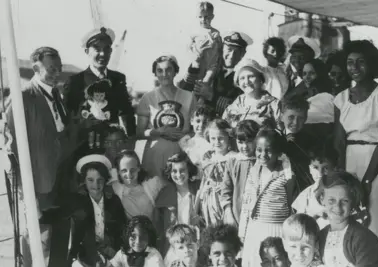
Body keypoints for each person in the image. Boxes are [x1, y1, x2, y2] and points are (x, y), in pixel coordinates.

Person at [6, 46, 77, 267]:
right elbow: (11, 147)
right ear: (36, 68)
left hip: (62, 178)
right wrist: (26, 191)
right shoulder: (23, 96)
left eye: (59, 68)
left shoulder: (57, 95)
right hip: (39, 179)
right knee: (38, 233)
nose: (57, 73)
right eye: (51, 69)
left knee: (61, 229)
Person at [334, 40, 378, 245]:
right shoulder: (340, 99)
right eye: (350, 62)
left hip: (377, 165)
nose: (355, 68)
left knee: (375, 219)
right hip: (350, 164)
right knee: (349, 218)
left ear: (372, 64)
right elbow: (339, 143)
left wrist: (367, 181)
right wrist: (343, 178)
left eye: (361, 62)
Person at [63, 27, 135, 149]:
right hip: (86, 147)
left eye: (107, 49)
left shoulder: (118, 79)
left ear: (111, 51)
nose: (103, 54)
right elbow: (69, 119)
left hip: (113, 147)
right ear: (87, 51)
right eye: (97, 49)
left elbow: (126, 113)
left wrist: (130, 142)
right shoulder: (75, 82)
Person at [66, 154, 127, 267]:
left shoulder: (113, 201)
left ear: (105, 180)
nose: (96, 185)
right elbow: (75, 234)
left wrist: (114, 250)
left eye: (100, 180)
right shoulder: (77, 203)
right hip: (86, 253)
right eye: (90, 180)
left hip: (111, 252)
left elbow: (122, 228)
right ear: (84, 181)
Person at [240, 128, 297, 267]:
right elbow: (246, 206)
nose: (263, 154)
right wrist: (242, 232)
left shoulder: (286, 176)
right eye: (259, 150)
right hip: (255, 229)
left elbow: (292, 206)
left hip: (276, 230)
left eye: (269, 150)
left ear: (278, 152)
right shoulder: (253, 172)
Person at [136, 54, 195, 182]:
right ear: (155, 73)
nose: (164, 74)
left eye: (169, 70)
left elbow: (196, 129)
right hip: (155, 155)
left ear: (175, 71)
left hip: (181, 154)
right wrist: (160, 131)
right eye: (159, 70)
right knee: (156, 193)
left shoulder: (189, 97)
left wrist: (185, 136)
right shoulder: (148, 98)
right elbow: (139, 132)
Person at [110, 150, 167, 244]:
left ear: (139, 168)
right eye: (124, 170)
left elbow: (169, 182)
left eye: (133, 170)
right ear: (118, 172)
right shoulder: (116, 186)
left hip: (152, 236)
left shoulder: (152, 185)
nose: (128, 174)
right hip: (132, 239)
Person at [192, 31, 253, 116]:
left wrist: (212, 96)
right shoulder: (208, 69)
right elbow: (185, 89)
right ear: (222, 49)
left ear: (243, 54)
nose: (232, 55)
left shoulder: (242, 79)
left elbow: (239, 109)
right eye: (229, 49)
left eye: (237, 52)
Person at [196, 119, 237, 227]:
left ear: (229, 137)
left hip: (226, 200)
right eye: (213, 138)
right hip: (209, 200)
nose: (217, 142)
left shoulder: (233, 158)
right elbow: (204, 180)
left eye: (221, 138)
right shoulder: (208, 157)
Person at [220, 120, 261, 226]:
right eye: (240, 142)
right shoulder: (233, 162)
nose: (245, 146)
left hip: (259, 217)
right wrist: (228, 213)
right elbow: (226, 191)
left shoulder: (262, 162)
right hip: (236, 217)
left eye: (249, 141)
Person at [222, 58, 280, 129]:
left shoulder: (274, 105)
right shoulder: (232, 107)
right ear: (238, 83)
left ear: (261, 79)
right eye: (242, 78)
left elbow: (281, 131)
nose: (246, 82)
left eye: (251, 76)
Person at [292, 142, 338, 229]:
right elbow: (298, 224)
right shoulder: (306, 194)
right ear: (310, 168)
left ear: (335, 169)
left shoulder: (343, 192)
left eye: (326, 168)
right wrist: (315, 216)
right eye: (315, 168)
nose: (320, 173)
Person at [183, 1, 222, 94]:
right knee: (193, 84)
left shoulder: (215, 32)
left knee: (206, 82)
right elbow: (188, 48)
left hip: (211, 64)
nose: (203, 19)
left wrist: (218, 41)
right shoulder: (195, 32)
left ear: (212, 17)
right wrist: (193, 57)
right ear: (196, 16)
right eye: (200, 17)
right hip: (198, 63)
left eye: (206, 17)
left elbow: (219, 50)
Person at [278, 97, 315, 192]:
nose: (295, 122)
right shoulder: (275, 137)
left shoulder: (312, 141)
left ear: (306, 118)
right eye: (291, 117)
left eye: (301, 118)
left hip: (303, 188)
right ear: (281, 116)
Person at [163, 152, 201, 227]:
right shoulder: (165, 194)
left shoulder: (199, 188)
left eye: (182, 170)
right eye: (174, 171)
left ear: (189, 170)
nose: (178, 175)